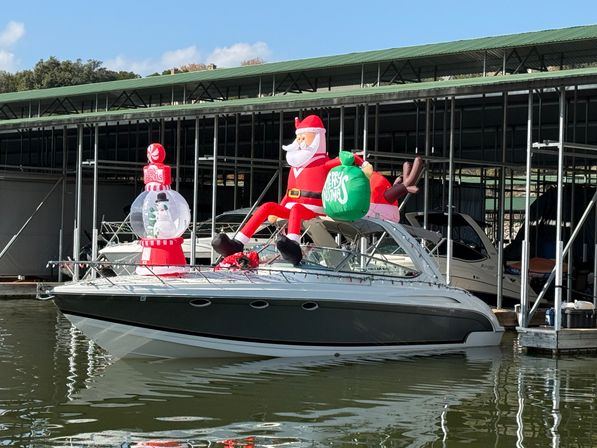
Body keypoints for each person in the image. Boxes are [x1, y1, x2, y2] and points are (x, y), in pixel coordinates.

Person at [212, 114, 372, 264]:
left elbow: (346, 158)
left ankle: (293, 245)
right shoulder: (295, 167)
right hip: (294, 208)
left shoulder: (323, 164)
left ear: (317, 138)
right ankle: (237, 243)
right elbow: (290, 192)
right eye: (299, 137)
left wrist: (363, 164)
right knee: (267, 206)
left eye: (304, 138)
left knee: (296, 208)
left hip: (315, 209)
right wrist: (280, 207)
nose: (300, 141)